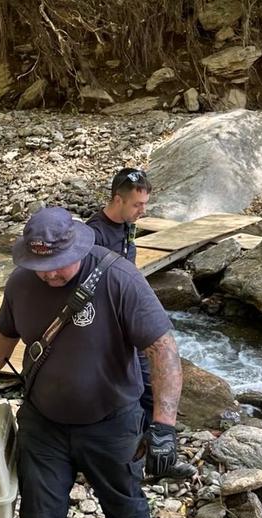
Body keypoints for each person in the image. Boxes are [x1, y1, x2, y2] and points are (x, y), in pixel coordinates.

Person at [0, 207, 183, 518]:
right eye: (42, 266)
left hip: (111, 422)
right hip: (44, 425)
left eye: (60, 263)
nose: (51, 273)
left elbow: (162, 349)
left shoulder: (119, 278)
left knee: (128, 517)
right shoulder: (21, 282)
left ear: (77, 247)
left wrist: (164, 426)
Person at [87, 168, 197, 479]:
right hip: (109, 332)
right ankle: (130, 458)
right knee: (135, 390)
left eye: (145, 204)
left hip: (130, 324)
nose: (143, 211)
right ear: (117, 199)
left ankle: (155, 454)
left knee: (149, 387)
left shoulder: (126, 226)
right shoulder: (94, 235)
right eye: (137, 205)